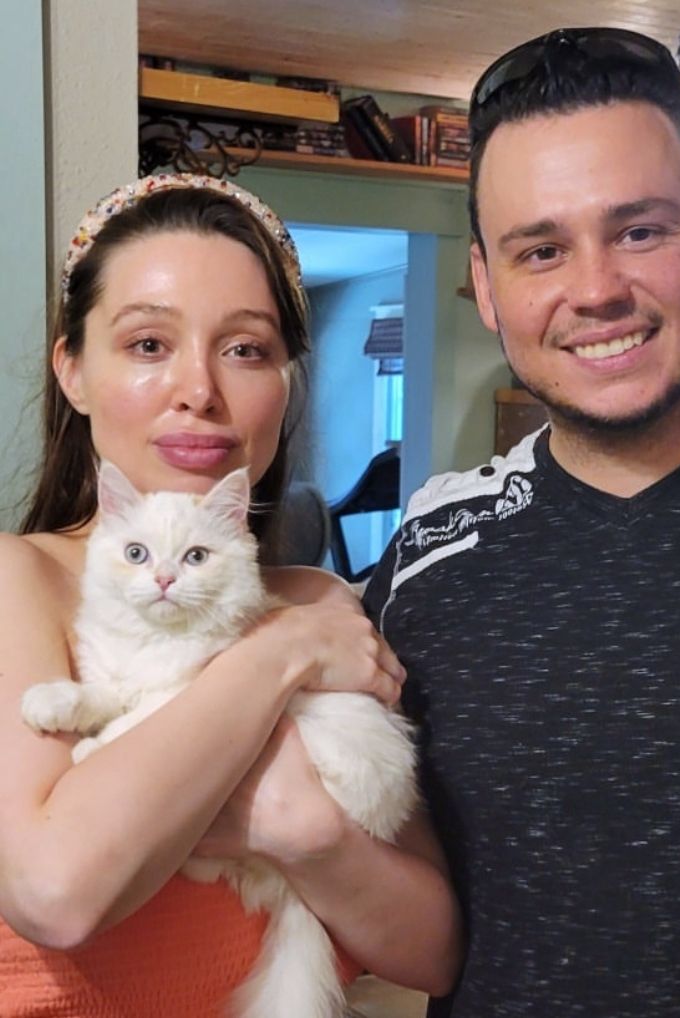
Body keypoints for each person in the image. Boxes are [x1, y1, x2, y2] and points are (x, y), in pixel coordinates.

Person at [364, 27, 680, 1018]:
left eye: (641, 231)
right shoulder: (427, 556)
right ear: (489, 288)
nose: (596, 291)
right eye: (541, 250)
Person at [0, 172, 462, 1015]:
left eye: (245, 349)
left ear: (285, 383)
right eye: (148, 344)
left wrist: (308, 834)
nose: (200, 391)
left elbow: (434, 951)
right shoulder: (14, 579)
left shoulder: (321, 597)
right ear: (72, 370)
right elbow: (55, 892)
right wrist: (279, 654)